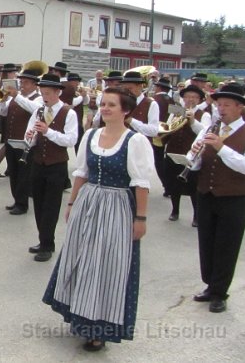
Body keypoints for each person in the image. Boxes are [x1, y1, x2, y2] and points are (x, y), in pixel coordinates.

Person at [43, 87, 153, 351]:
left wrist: (140, 218)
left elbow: (141, 183)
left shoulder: (134, 141)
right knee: (81, 259)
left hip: (117, 206)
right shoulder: (91, 135)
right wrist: (71, 203)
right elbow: (82, 172)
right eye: (103, 104)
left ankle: (100, 329)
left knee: (107, 267)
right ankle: (80, 317)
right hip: (88, 203)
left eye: (111, 105)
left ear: (126, 110)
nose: (104, 109)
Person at [187, 83, 245, 313]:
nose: (221, 109)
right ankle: (210, 285)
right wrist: (193, 156)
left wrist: (221, 148)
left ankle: (220, 292)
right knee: (207, 241)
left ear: (239, 107)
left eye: (227, 105)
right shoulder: (211, 128)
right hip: (206, 193)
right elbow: (195, 162)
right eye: (219, 105)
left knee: (227, 245)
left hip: (234, 197)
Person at [25, 74, 78, 262]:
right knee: (38, 204)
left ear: (57, 92)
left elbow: (71, 140)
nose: (44, 97)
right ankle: (43, 239)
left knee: (51, 207)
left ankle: (48, 244)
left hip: (56, 165)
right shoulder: (39, 111)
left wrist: (48, 132)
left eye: (47, 93)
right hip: (38, 162)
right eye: (42, 93)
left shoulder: (68, 113)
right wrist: (30, 137)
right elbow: (28, 136)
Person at [162, 85, 210, 225]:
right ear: (183, 98)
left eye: (194, 97)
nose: (190, 100)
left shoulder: (204, 114)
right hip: (173, 151)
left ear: (199, 99)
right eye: (188, 97)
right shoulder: (177, 110)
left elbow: (204, 132)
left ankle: (196, 216)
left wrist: (193, 120)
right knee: (173, 184)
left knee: (193, 187)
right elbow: (168, 126)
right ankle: (175, 210)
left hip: (192, 156)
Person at [0, 68, 42, 215]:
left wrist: (16, 96)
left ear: (35, 85)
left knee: (24, 174)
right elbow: (2, 112)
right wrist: (3, 102)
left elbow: (34, 109)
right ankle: (17, 200)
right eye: (22, 82)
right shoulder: (15, 97)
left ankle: (22, 204)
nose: (23, 85)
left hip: (26, 142)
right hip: (11, 140)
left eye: (27, 83)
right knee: (14, 172)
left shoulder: (38, 98)